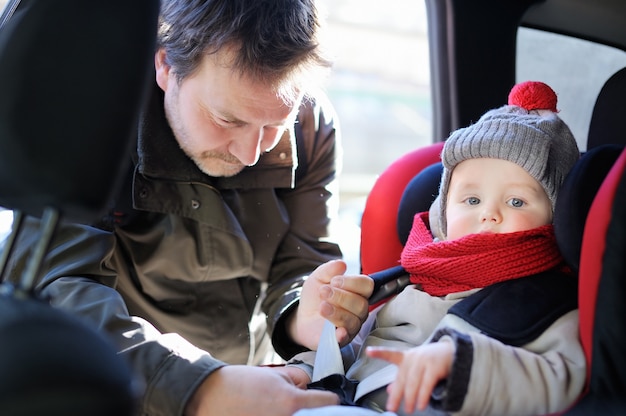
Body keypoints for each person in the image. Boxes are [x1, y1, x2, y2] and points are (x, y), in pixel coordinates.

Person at [3, 1, 374, 415]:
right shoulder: (91, 121)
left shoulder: (310, 125)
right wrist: (200, 386)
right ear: (165, 66)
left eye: (274, 126)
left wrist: (300, 312)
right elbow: (59, 291)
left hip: (245, 379)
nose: (252, 153)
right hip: (114, 387)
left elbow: (300, 261)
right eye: (227, 120)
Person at [284, 81, 586, 415]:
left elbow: (561, 378)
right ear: (443, 214)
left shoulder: (549, 302)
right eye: (471, 199)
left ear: (556, 219)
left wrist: (463, 367)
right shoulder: (414, 283)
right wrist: (306, 369)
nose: (489, 213)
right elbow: (357, 352)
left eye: (516, 201)